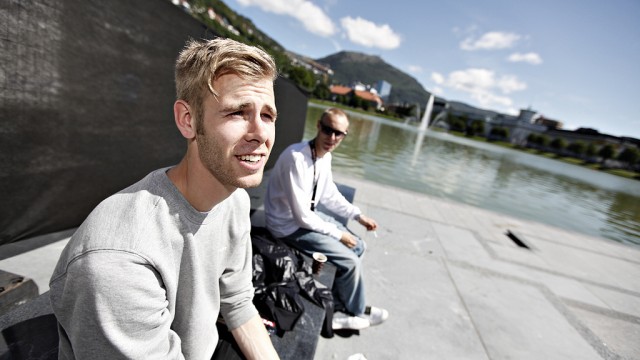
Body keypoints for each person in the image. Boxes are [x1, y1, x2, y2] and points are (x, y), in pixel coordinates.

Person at [49, 38, 280, 359]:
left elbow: (238, 302)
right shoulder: (115, 263)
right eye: (237, 112)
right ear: (188, 120)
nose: (260, 133)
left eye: (267, 115)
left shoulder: (235, 201)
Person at [264, 107, 388, 331]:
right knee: (351, 262)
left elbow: (329, 194)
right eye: (328, 130)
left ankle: (343, 302)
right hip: (288, 226)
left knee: (359, 246)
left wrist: (358, 216)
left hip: (306, 217)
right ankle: (353, 312)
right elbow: (301, 216)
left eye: (338, 133)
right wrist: (339, 234)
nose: (332, 138)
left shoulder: (324, 157)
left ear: (345, 135)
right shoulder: (297, 158)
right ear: (319, 126)